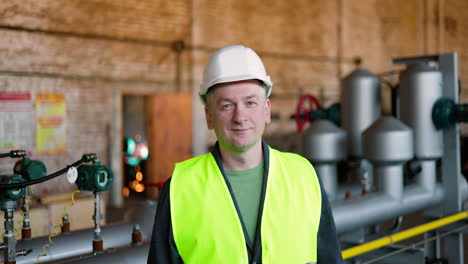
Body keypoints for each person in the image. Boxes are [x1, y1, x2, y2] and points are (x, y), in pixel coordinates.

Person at [147, 45, 343, 264]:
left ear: (266, 110)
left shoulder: (304, 176)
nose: (240, 117)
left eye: (250, 103)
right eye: (227, 106)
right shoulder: (180, 188)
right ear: (209, 117)